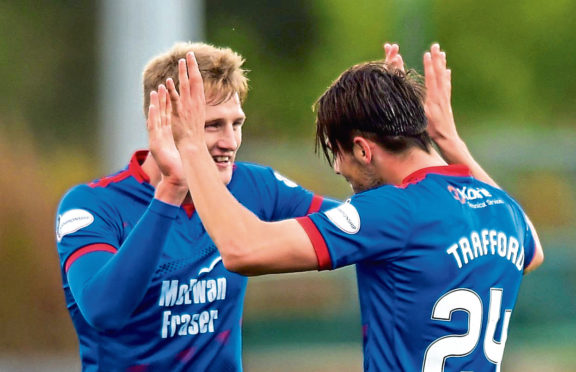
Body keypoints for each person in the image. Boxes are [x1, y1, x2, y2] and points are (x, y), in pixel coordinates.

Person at [152, 43, 544, 371]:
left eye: (338, 154)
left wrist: (190, 143)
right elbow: (533, 251)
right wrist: (449, 139)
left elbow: (242, 249)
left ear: (361, 148)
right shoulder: (503, 209)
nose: (338, 168)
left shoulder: (391, 211)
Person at [54, 42, 340, 371]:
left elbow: (355, 227)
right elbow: (105, 311)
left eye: (237, 124)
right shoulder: (93, 205)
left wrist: (400, 142)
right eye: (212, 125)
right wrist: (172, 189)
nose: (230, 142)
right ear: (162, 121)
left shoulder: (253, 186)